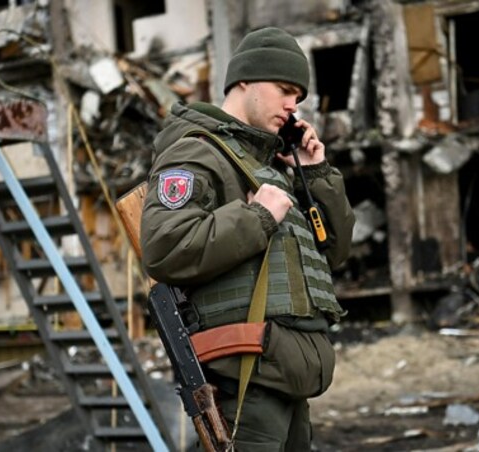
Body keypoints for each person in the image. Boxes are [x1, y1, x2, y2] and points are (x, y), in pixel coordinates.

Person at [139, 27, 355, 450]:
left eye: (299, 96)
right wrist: (258, 217)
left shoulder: (271, 168)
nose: (293, 106)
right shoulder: (196, 153)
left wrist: (315, 172)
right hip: (246, 377)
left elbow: (335, 254)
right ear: (245, 82)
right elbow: (164, 248)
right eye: (285, 90)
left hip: (286, 373)